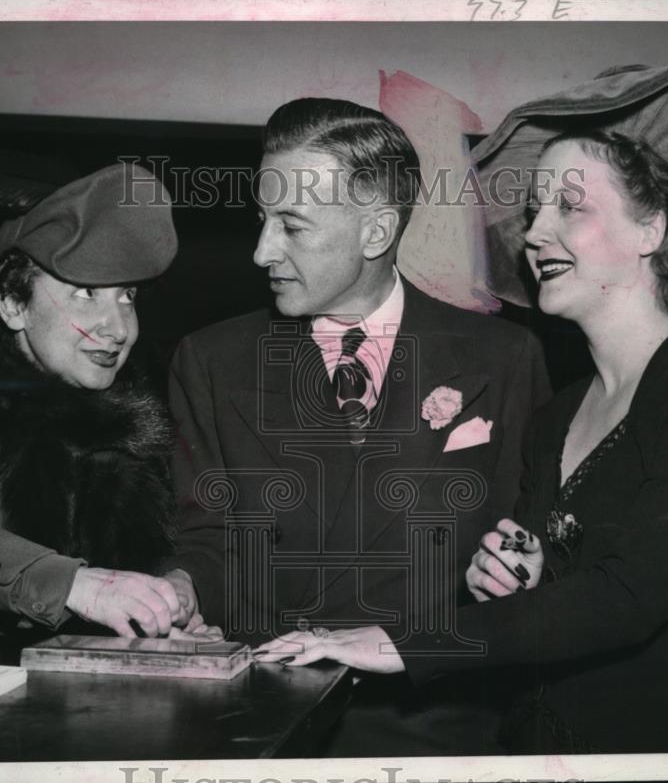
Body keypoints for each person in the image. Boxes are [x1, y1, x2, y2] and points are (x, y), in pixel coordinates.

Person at [255, 61, 668, 753]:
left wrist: (405, 642)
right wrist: (514, 574)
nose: (536, 233)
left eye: (570, 207)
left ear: (651, 230)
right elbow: (552, 598)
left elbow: (628, 598)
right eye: (535, 208)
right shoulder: (559, 412)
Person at [165, 98, 550, 755]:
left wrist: (526, 565)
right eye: (262, 220)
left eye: (292, 225)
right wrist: (176, 589)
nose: (262, 251)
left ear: (375, 234)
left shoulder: (503, 357)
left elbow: (531, 527)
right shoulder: (209, 360)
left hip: (436, 725)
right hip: (266, 724)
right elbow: (206, 542)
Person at [0, 163, 204, 641]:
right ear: (12, 302)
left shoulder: (127, 441)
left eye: (128, 296)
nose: (119, 329)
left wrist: (164, 610)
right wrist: (66, 582)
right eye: (87, 294)